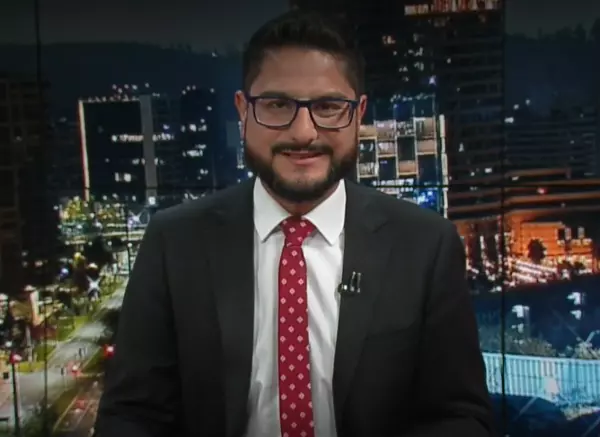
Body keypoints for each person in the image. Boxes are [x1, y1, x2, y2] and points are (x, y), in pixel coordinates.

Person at [95, 10, 495, 437]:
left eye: (328, 107)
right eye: (277, 105)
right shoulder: (174, 242)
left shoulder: (425, 244)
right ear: (243, 111)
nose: (303, 132)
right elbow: (132, 415)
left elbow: (460, 416)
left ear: (358, 114)